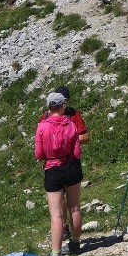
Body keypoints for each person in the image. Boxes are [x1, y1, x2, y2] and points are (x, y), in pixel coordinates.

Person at [35, 92, 83, 256]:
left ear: (48, 107)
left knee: (56, 215)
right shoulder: (71, 125)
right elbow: (77, 152)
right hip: (72, 168)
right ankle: (76, 244)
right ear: (63, 106)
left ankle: (55, 255)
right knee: (75, 207)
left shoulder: (41, 127)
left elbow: (39, 154)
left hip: (52, 170)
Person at [40, 86, 89, 240]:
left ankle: (58, 248)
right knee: (69, 205)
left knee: (67, 206)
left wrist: (63, 142)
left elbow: (85, 137)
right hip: (69, 162)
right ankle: (69, 235)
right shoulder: (45, 116)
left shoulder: (74, 115)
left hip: (58, 164)